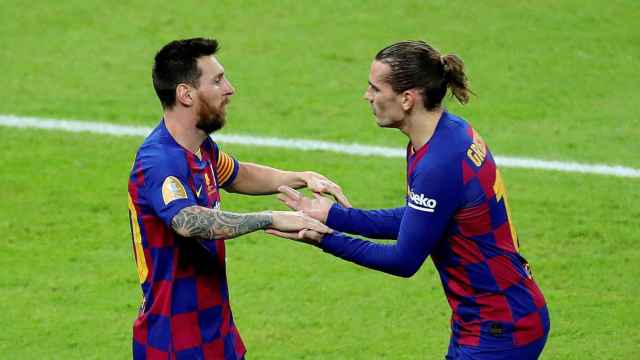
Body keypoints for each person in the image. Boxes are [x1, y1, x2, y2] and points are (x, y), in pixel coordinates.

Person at [269, 41, 550, 359]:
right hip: (490, 317)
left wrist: (326, 239)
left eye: (375, 88)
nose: (367, 96)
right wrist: (332, 215)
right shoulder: (448, 132)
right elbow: (422, 218)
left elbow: (403, 260)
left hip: (499, 328)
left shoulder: (438, 163)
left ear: (406, 99)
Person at [127, 37, 344, 360]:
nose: (229, 89)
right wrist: (269, 218)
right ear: (186, 94)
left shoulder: (200, 150)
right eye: (217, 80)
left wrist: (299, 177)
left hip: (216, 331)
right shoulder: (160, 161)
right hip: (175, 341)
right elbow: (188, 221)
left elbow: (237, 174)